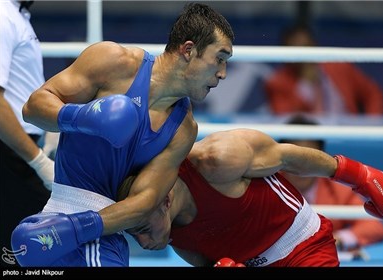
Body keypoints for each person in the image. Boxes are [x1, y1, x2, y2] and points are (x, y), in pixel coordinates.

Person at [12, 3, 234, 267]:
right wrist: (85, 117)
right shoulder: (114, 62)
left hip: (98, 234)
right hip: (54, 217)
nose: (222, 73)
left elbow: (144, 202)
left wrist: (77, 228)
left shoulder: (183, 129)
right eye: (219, 58)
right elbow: (32, 107)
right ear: (188, 50)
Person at [125, 128, 383, 267]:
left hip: (301, 247)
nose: (143, 241)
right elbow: (205, 259)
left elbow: (288, 157)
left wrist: (357, 173)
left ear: (166, 202)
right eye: (134, 234)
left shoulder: (216, 159)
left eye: (144, 230)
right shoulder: (160, 223)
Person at [279, 114, 383, 252]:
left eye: (308, 158)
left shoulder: (338, 188)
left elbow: (374, 226)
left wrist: (338, 241)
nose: (302, 166)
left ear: (321, 158)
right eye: (295, 158)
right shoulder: (267, 186)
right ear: (281, 158)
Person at [0, 0, 54, 267]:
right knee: (23, 256)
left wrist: (50, 128)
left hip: (17, 149)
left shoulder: (18, 16)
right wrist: (39, 162)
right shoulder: (2, 14)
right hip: (9, 152)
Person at [263, 23, 383, 116]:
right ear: (286, 53)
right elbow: (285, 117)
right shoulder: (277, 82)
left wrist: (372, 121)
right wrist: (305, 85)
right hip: (308, 140)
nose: (303, 54)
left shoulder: (339, 67)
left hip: (348, 131)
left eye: (306, 46)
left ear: (315, 45)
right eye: (296, 49)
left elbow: (373, 93)